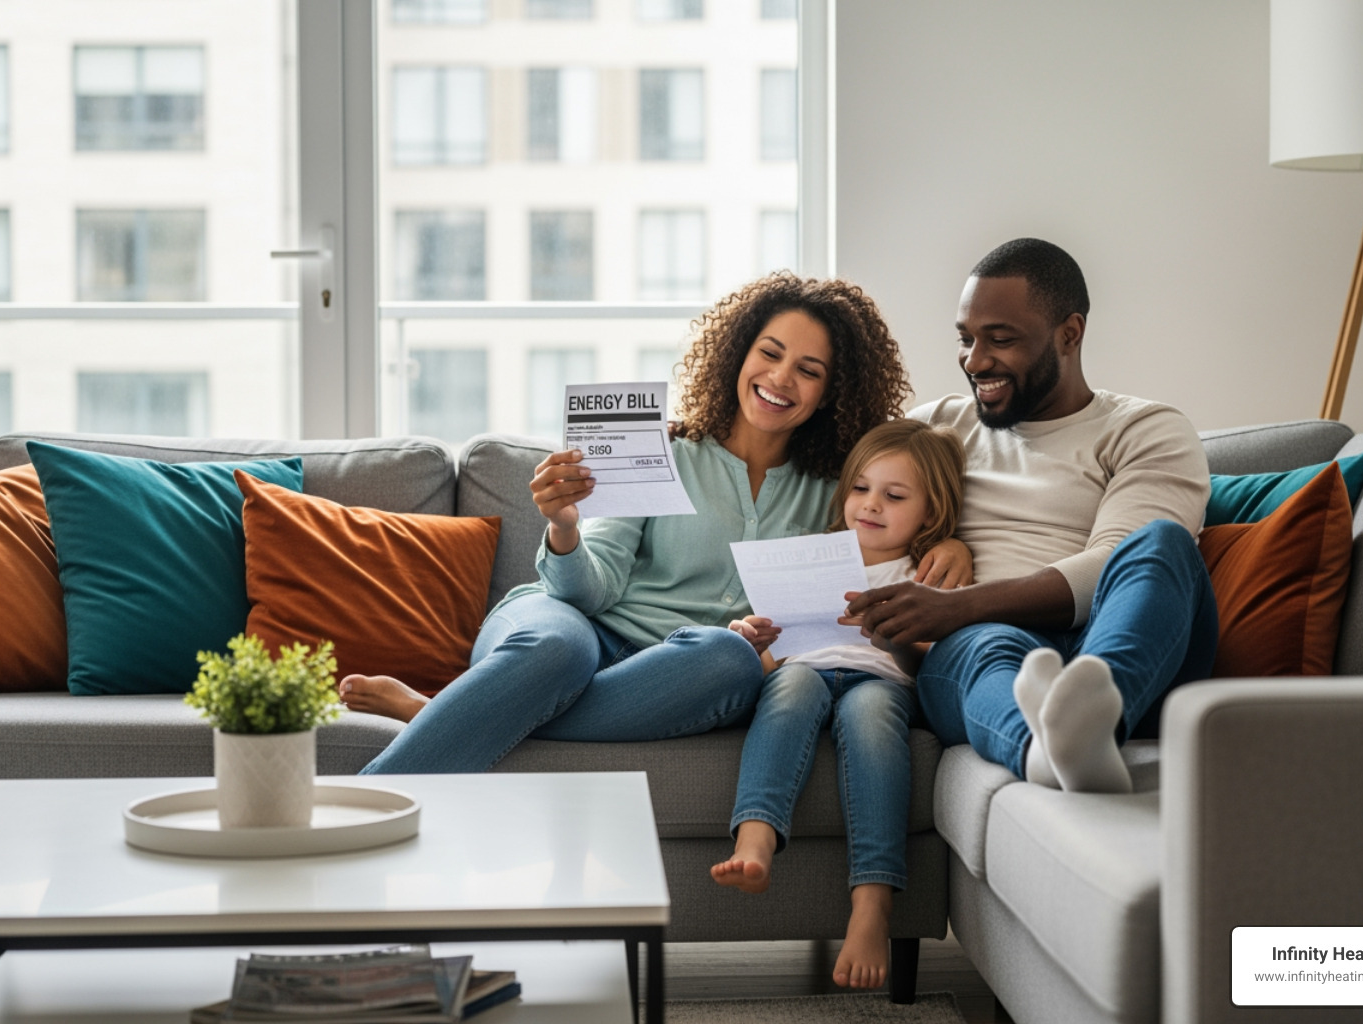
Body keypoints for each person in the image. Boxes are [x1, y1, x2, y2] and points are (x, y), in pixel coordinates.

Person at [345, 272, 969, 774]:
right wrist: (564, 526)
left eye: (809, 370)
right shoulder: (662, 450)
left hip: (678, 673)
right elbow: (589, 591)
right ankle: (367, 812)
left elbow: (900, 516)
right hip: (573, 626)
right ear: (738, 355)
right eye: (770, 353)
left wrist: (948, 543)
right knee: (556, 650)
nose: (781, 379)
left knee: (731, 659)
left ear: (832, 392)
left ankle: (448, 711)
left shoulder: (840, 493)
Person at [843, 238, 1219, 794]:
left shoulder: (1145, 429)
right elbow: (850, 486)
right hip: (982, 648)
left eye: (1000, 339)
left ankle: (1095, 713)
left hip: (1122, 644)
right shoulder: (942, 424)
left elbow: (1112, 567)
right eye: (966, 339)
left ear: (1069, 333)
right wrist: (694, 436)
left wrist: (956, 606)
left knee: (1163, 541)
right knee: (985, 644)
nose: (975, 360)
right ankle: (1049, 751)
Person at [714, 419, 966, 990]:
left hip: (880, 681)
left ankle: (872, 905)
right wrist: (749, 640)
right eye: (860, 488)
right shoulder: (808, 558)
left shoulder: (926, 575)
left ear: (930, 513)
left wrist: (892, 634)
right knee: (793, 689)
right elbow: (774, 660)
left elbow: (933, 666)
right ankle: (754, 841)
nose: (870, 504)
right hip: (802, 670)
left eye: (894, 496)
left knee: (871, 717)